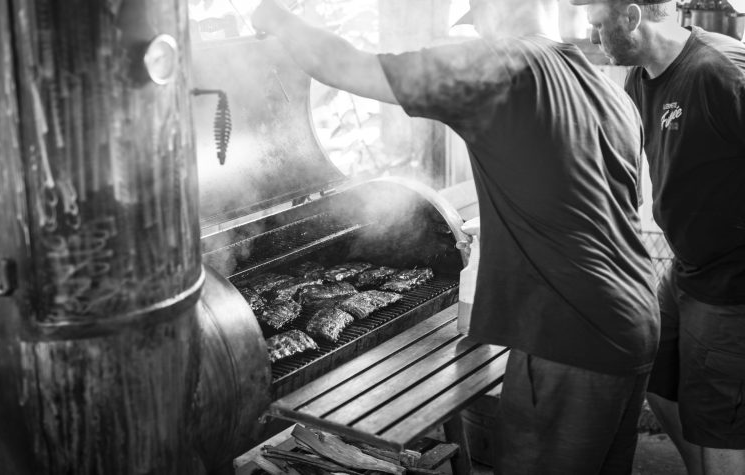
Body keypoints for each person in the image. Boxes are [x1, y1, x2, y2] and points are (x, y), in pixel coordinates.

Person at [253, 0, 659, 472]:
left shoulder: (501, 66)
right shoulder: (608, 91)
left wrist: (274, 15)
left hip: (569, 336)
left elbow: (344, 67)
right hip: (634, 316)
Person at [574, 0, 745, 473]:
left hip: (732, 282)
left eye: (598, 26)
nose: (592, 39)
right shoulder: (640, 79)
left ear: (631, 17)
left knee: (719, 420)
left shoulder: (719, 72)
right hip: (688, 266)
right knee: (653, 367)